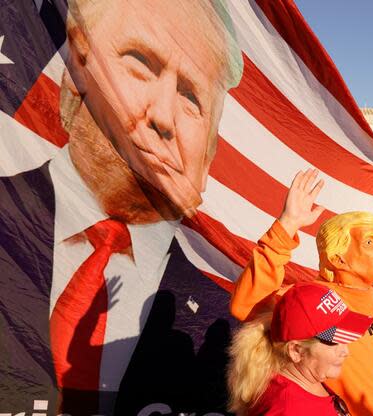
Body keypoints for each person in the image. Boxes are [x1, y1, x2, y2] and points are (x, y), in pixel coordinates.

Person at [0, 0, 243, 413]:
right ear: (76, 73)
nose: (163, 116)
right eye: (140, 64)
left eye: (190, 97)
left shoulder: (216, 319)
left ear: (209, 155)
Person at [231, 170, 373, 416]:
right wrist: (288, 225)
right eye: (369, 242)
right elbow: (245, 304)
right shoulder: (319, 299)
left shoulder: (368, 292)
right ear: (338, 259)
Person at [228, 282, 373, 415]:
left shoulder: (307, 381)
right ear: (296, 351)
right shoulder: (288, 409)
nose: (346, 352)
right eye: (334, 342)